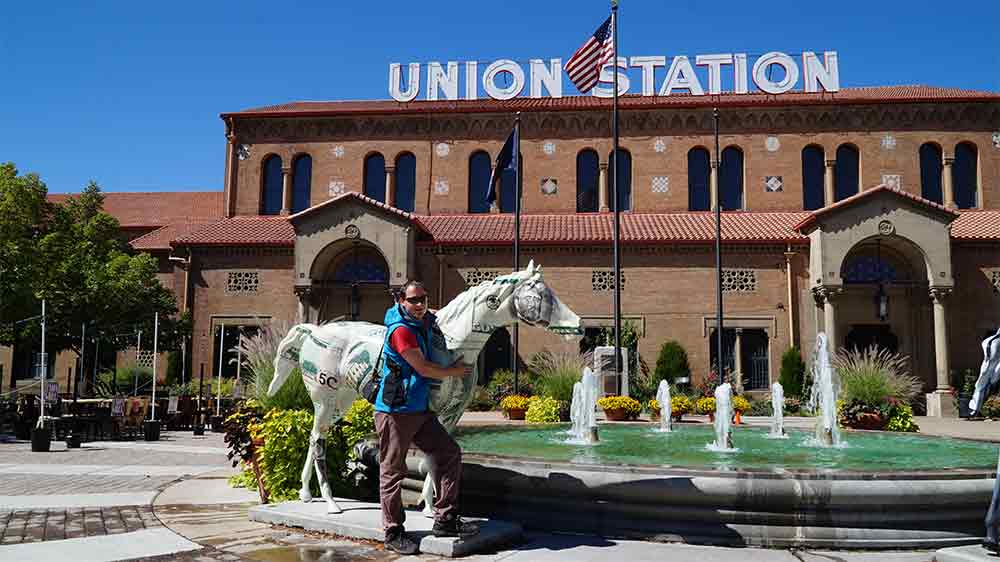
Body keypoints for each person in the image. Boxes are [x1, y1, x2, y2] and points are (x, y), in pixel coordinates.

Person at [375, 280, 479, 554]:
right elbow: (422, 368)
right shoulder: (401, 331)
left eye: (423, 298)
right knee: (392, 470)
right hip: (395, 411)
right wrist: (453, 373)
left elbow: (442, 317)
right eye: (413, 300)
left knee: (448, 452)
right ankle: (393, 530)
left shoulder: (423, 319)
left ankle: (445, 519)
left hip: (419, 409)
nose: (420, 304)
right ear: (401, 301)